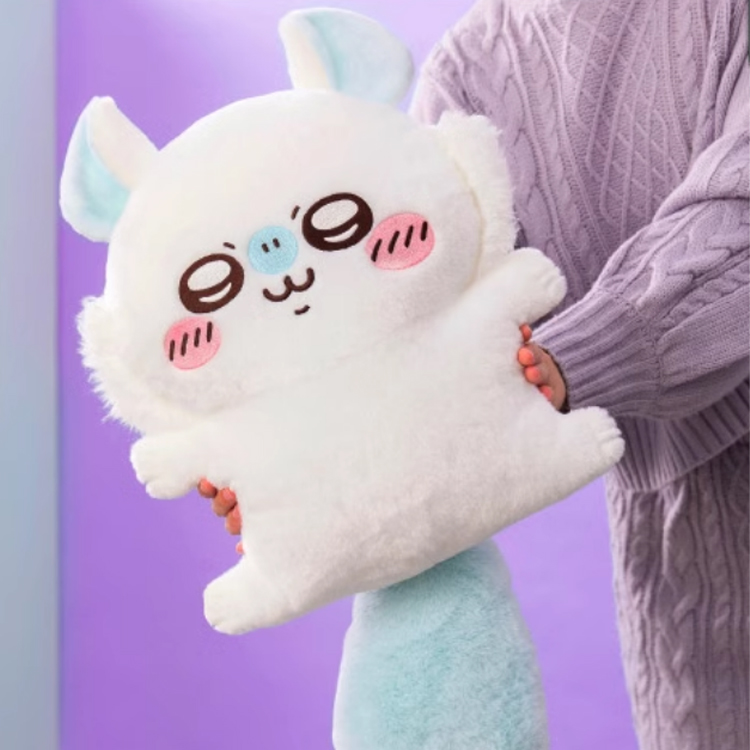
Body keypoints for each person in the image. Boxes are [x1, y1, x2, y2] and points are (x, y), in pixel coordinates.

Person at [202, 0, 749, 747]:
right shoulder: (466, 72)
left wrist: (561, 362)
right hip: (682, 554)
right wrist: (294, 477)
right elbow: (405, 341)